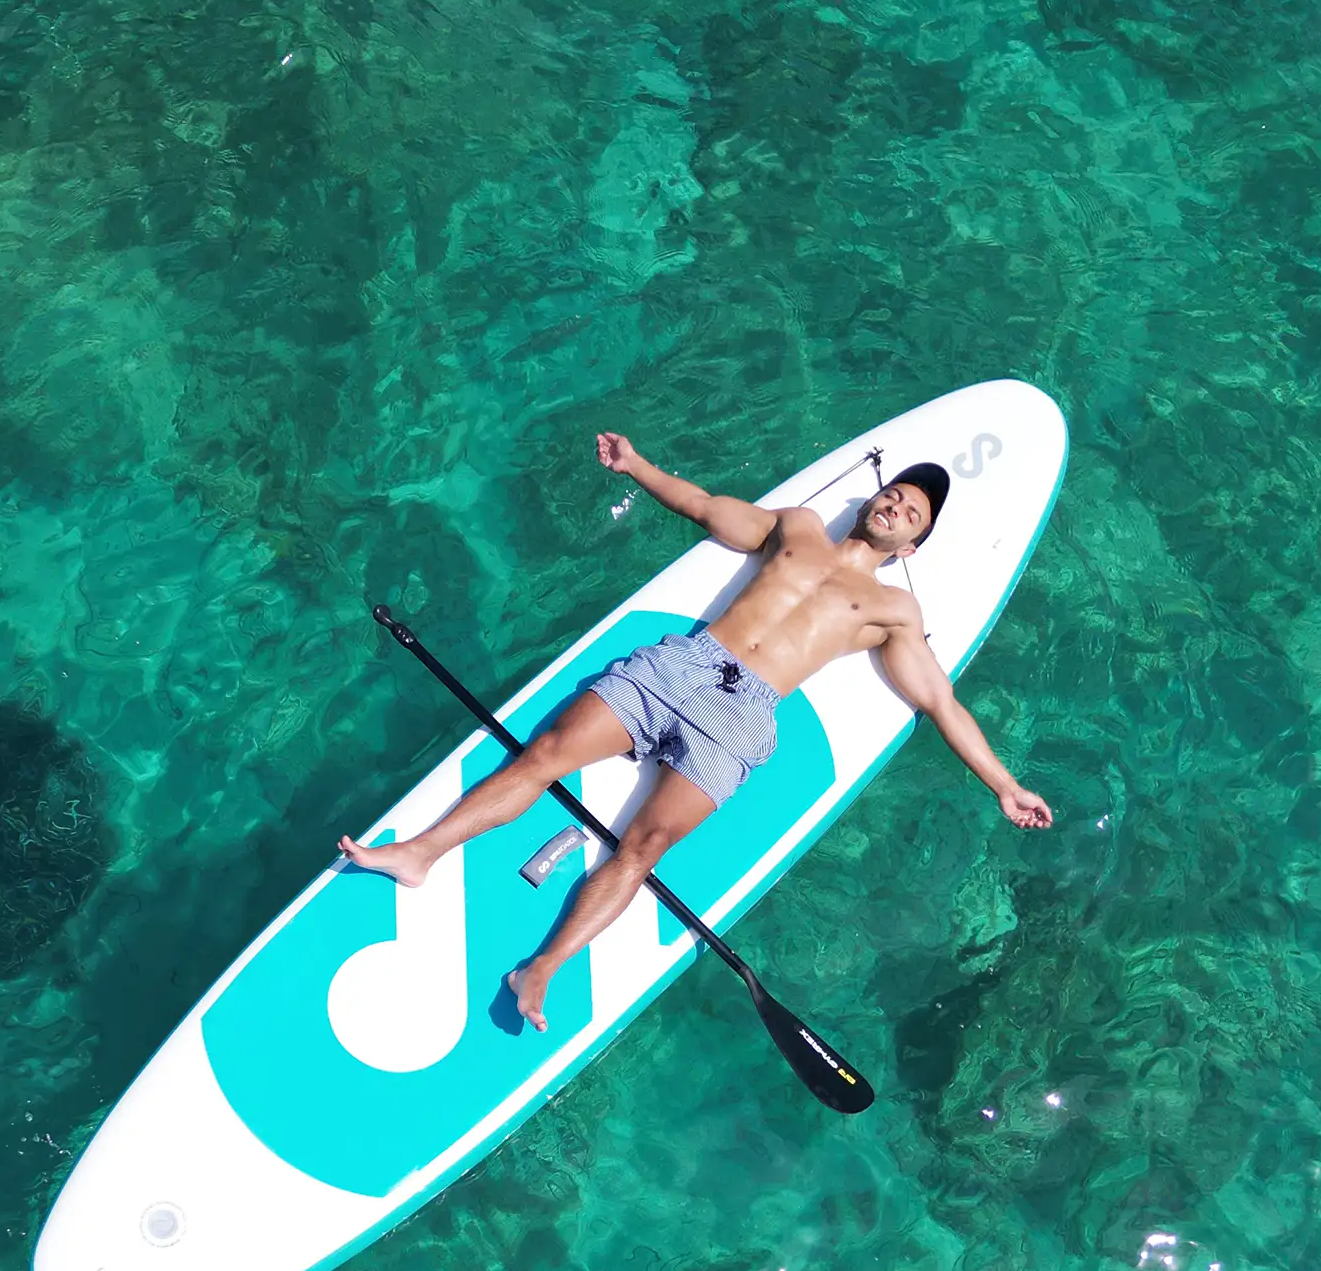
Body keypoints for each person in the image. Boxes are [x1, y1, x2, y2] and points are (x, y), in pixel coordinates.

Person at [343, 429, 1053, 1031]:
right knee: (546, 755)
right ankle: (419, 853)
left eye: (911, 512)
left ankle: (541, 968)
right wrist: (638, 465)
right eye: (894, 492)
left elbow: (939, 700)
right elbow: (712, 511)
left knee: (642, 847)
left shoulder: (892, 609)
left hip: (743, 717)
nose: (895, 504)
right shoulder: (797, 528)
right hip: (685, 664)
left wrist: (1004, 784)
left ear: (913, 545)